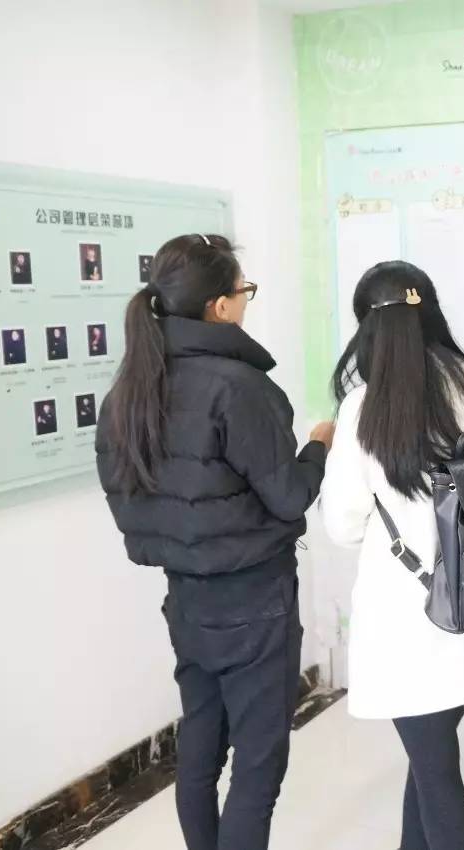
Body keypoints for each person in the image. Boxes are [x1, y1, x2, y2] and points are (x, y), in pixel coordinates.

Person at [96, 233, 332, 850]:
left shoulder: (128, 389)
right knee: (259, 763)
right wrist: (318, 446)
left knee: (199, 750)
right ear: (220, 306)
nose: (246, 300)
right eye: (243, 290)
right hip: (255, 601)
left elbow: (133, 504)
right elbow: (289, 496)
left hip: (186, 599)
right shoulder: (239, 387)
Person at [319, 260, 464, 850]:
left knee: (436, 771)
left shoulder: (364, 408)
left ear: (367, 328)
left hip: (411, 626)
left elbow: (342, 525)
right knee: (429, 759)